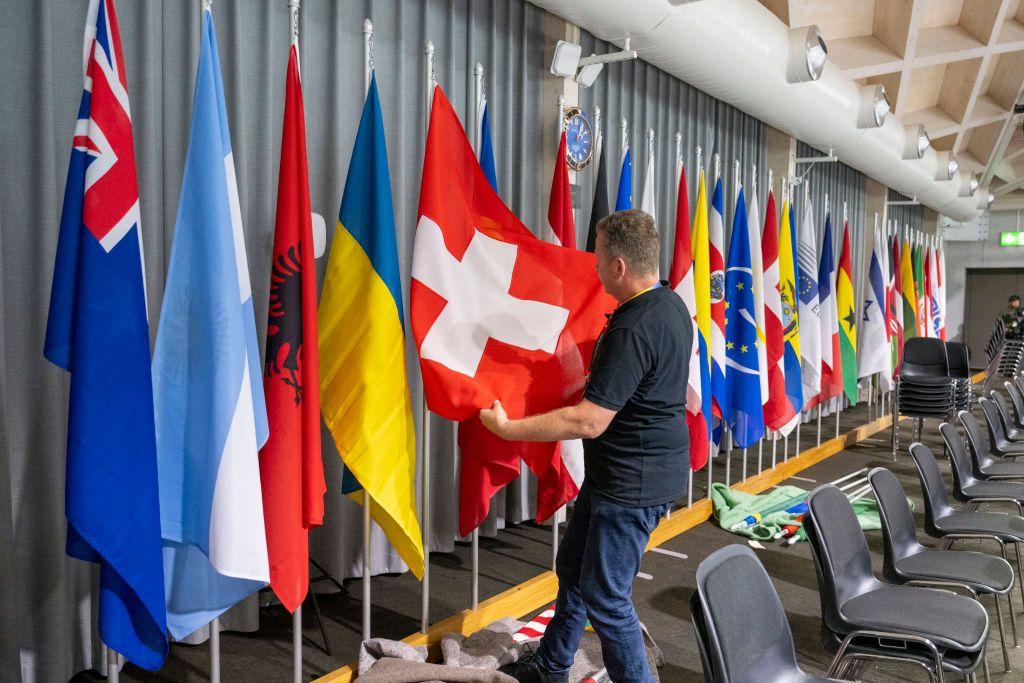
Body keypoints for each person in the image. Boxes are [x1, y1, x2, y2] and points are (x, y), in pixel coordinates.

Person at [480, 209, 692, 683]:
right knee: (573, 569)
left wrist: (509, 429)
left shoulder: (635, 328)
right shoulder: (670, 305)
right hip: (620, 476)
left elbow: (590, 420)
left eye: (598, 259)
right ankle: (553, 666)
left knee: (606, 595)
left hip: (632, 486)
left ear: (619, 266)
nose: (592, 268)